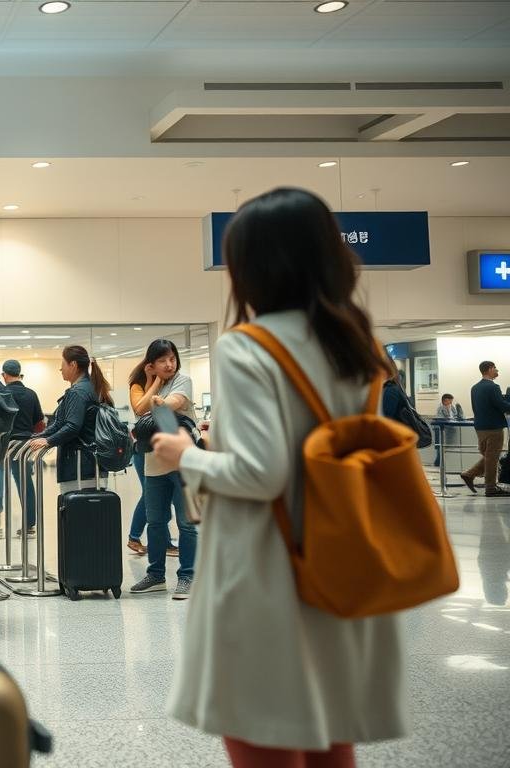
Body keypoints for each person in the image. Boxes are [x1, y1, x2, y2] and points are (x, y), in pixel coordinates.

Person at [151, 187, 404, 768]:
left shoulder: (249, 348)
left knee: (262, 734)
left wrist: (184, 452)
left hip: (267, 566)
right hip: (342, 560)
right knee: (328, 737)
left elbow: (262, 474)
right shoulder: (357, 345)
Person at [128, 339, 198, 599]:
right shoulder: (145, 384)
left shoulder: (183, 380)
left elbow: (175, 403)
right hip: (154, 463)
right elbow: (139, 410)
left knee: (186, 523)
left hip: (183, 464)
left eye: (172, 359)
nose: (169, 364)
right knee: (156, 521)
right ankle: (156, 575)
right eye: (162, 361)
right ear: (152, 364)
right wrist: (154, 383)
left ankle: (187, 576)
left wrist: (157, 399)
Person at [28, 345, 113, 494]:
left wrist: (48, 441)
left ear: (73, 365)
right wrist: (38, 437)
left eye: (62, 365)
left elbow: (73, 426)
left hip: (81, 466)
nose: (61, 369)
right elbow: (60, 423)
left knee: (77, 512)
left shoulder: (78, 392)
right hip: (89, 465)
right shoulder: (88, 388)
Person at [0, 359, 44, 537]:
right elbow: (39, 423)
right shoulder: (31, 394)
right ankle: (30, 523)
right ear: (19, 373)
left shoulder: (1, 393)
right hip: (24, 446)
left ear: (4, 375)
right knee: (26, 484)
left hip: (3, 445)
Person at [462, 361, 510, 497]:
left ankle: (469, 474)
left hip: (480, 426)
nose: (497, 370)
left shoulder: (475, 388)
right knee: (492, 457)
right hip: (494, 427)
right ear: (489, 369)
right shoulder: (493, 387)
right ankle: (490, 487)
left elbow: (475, 407)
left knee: (490, 456)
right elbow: (501, 405)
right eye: (495, 368)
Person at [433, 393, 463, 467]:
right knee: (440, 447)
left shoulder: (452, 407)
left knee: (447, 446)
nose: (450, 403)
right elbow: (441, 419)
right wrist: (449, 417)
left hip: (449, 429)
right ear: (445, 401)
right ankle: (438, 463)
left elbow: (456, 416)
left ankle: (443, 463)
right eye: (449, 401)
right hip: (440, 430)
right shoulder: (440, 408)